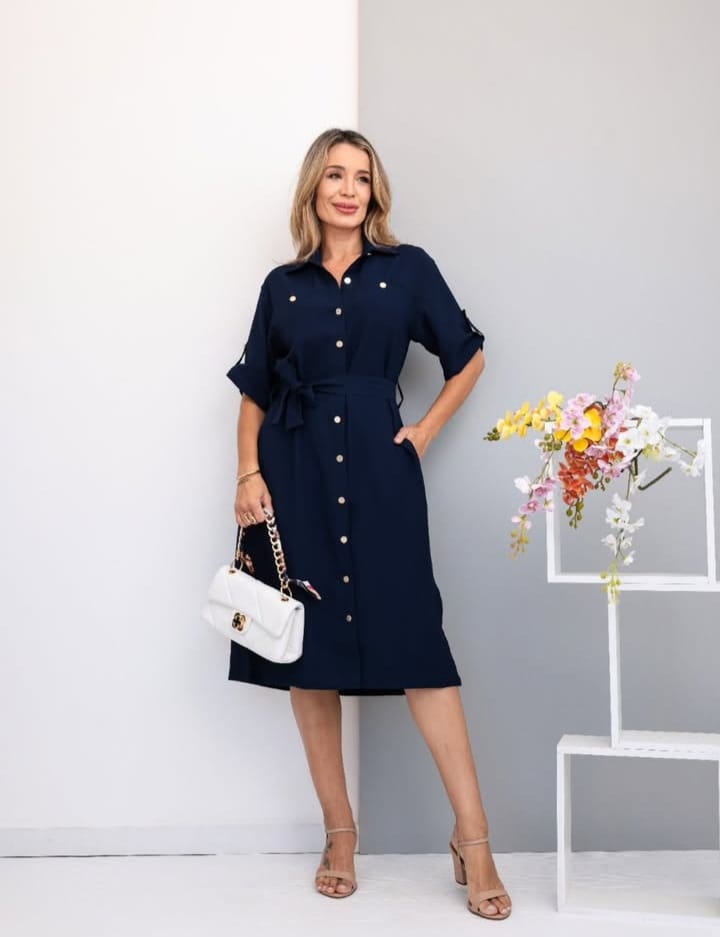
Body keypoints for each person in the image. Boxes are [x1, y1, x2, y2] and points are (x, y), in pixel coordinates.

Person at [226, 128, 512, 920]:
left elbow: (469, 354)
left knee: (421, 648)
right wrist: (248, 473)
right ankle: (340, 834)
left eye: (361, 176)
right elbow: (254, 389)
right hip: (297, 476)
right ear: (313, 189)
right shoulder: (282, 287)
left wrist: (423, 432)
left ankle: (474, 836)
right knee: (308, 655)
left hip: (383, 481)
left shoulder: (407, 269)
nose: (348, 189)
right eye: (334, 175)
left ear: (374, 192)